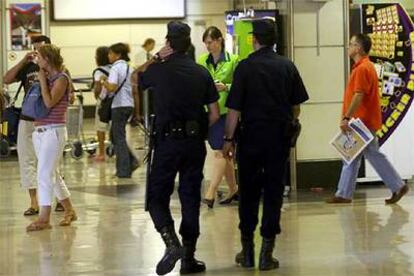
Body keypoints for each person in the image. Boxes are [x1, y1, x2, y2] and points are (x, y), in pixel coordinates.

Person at [222, 19, 309, 270]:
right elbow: (296, 107)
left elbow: (234, 109)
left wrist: (228, 140)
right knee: (273, 193)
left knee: (248, 192)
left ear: (254, 39)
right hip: (277, 140)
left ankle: (247, 252)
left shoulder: (244, 67)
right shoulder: (287, 66)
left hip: (249, 139)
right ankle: (266, 253)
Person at [139, 21, 220, 275]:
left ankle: (171, 242)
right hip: (194, 143)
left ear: (168, 44)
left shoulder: (158, 70)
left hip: (166, 143)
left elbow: (136, 77)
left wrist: (155, 57)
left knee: (156, 197)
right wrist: (198, 131)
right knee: (190, 199)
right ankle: (188, 259)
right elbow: (215, 114)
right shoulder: (201, 72)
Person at [326, 33, 409, 204]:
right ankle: (345, 193)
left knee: (362, 154)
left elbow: (359, 95)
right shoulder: (364, 67)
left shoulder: (363, 69)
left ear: (358, 48)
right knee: (354, 155)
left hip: (360, 121)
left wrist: (346, 117)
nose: (348, 47)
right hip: (363, 120)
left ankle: (396, 186)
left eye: (351, 44)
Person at [2, 35, 64, 216]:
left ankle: (60, 199)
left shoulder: (58, 72)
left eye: (41, 50)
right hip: (28, 118)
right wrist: (23, 61)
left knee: (50, 163)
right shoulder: (29, 68)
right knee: (27, 160)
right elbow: (6, 79)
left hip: (48, 121)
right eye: (35, 50)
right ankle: (34, 202)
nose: (37, 54)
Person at [26, 44, 77, 231]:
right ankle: (69, 210)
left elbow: (48, 102)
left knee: (43, 175)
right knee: (52, 174)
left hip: (53, 131)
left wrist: (41, 80)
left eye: (39, 57)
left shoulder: (62, 78)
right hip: (40, 132)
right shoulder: (48, 78)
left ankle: (44, 218)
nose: (37, 60)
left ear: (47, 59)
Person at [197, 26, 239, 208]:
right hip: (208, 110)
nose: (208, 46)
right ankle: (233, 188)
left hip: (226, 112)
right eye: (205, 43)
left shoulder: (233, 60)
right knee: (226, 154)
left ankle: (211, 191)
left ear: (219, 40)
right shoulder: (201, 61)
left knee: (219, 151)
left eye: (210, 42)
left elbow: (240, 85)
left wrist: (226, 87)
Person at [100, 43, 139, 178]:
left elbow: (112, 88)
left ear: (118, 55)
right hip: (129, 104)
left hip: (119, 105)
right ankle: (131, 161)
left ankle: (123, 170)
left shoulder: (116, 68)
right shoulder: (129, 68)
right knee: (114, 136)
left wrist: (103, 81)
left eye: (111, 53)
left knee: (119, 137)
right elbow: (134, 89)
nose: (108, 56)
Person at [92, 46, 112, 162]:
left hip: (103, 101)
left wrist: (96, 96)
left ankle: (101, 153)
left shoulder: (99, 71)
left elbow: (97, 88)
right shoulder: (114, 68)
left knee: (100, 127)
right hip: (114, 101)